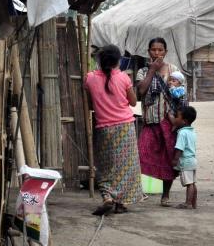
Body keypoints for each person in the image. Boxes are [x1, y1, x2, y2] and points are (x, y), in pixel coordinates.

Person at [84, 44, 142, 215]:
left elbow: (89, 105)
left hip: (103, 128)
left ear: (100, 60)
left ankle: (108, 197)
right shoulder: (124, 78)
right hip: (125, 127)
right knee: (126, 167)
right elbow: (133, 102)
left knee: (105, 166)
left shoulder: (90, 78)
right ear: (118, 61)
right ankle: (121, 202)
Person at [136, 37, 179, 207]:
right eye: (153, 50)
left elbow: (181, 95)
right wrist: (152, 71)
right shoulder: (143, 71)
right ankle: (138, 191)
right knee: (141, 155)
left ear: (165, 52)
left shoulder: (173, 70)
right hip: (150, 121)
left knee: (168, 158)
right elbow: (141, 91)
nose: (157, 53)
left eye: (160, 50)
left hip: (168, 122)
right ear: (149, 52)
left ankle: (165, 195)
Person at [172, 106, 198, 209]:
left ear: (184, 121)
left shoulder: (182, 133)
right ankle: (194, 203)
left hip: (186, 161)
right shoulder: (192, 132)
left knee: (189, 184)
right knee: (192, 183)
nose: (175, 119)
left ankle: (187, 202)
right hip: (193, 160)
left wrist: (175, 160)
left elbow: (179, 148)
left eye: (177, 117)